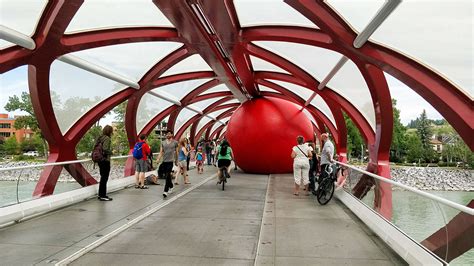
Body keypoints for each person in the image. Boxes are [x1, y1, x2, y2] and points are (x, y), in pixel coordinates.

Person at [156, 130, 178, 198]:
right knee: (167, 176)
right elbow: (161, 152)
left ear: (172, 134)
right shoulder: (163, 142)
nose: (167, 135)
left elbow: (176, 152)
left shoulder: (175, 142)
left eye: (169, 134)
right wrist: (158, 159)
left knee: (167, 175)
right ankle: (171, 186)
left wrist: (176, 160)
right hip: (164, 161)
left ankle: (165, 191)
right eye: (166, 134)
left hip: (170, 161)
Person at [96, 125, 113, 201]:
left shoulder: (99, 138)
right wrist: (111, 152)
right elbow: (105, 149)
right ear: (109, 131)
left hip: (99, 160)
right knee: (104, 178)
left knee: (102, 177)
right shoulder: (107, 138)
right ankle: (103, 195)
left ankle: (100, 194)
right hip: (105, 160)